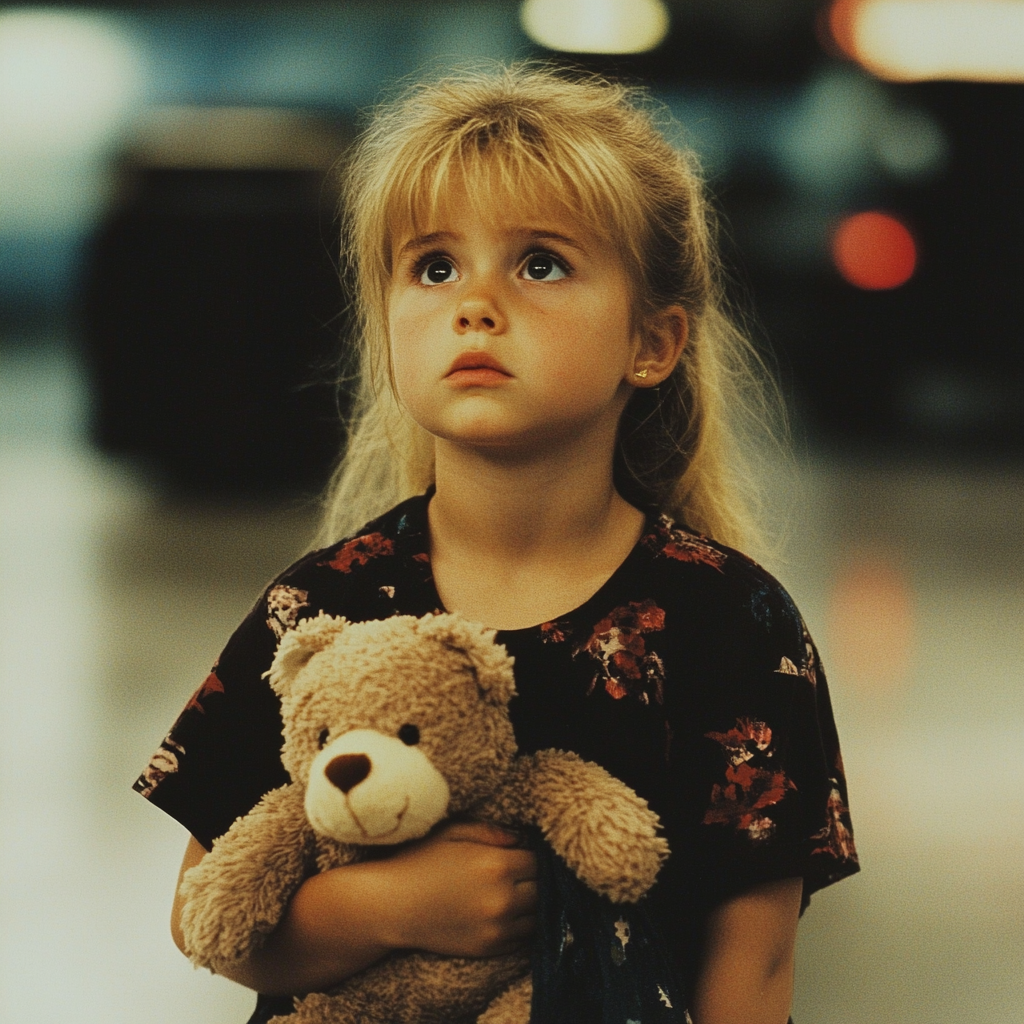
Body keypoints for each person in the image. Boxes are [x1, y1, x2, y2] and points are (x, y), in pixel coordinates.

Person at [135, 65, 859, 1024]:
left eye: (541, 263)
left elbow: (754, 969)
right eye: (434, 267)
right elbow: (205, 915)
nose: (474, 304)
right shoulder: (323, 606)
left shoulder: (731, 619)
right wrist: (389, 908)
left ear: (653, 342)